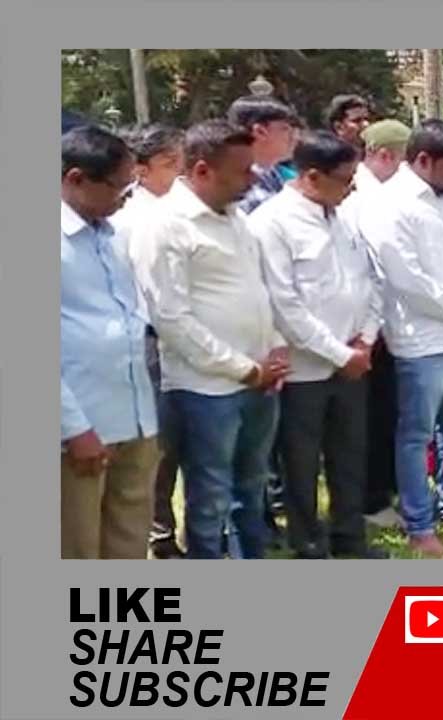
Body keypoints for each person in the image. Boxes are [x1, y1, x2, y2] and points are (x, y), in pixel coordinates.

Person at [134, 120, 290, 560]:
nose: (253, 178)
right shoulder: (165, 226)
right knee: (210, 496)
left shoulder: (236, 218)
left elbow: (256, 290)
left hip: (259, 379)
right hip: (206, 388)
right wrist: (244, 368)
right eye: (242, 170)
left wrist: (275, 346)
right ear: (202, 170)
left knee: (251, 487)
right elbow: (172, 319)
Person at [359, 119, 443, 558]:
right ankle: (419, 524)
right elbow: (404, 275)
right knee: (417, 434)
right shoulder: (388, 204)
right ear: (422, 160)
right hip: (423, 339)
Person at [252, 131, 385, 559]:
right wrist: (341, 354)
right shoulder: (271, 223)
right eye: (345, 179)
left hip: (355, 360)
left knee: (350, 454)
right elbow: (284, 305)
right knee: (301, 461)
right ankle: (308, 542)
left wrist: (366, 338)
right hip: (304, 368)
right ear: (312, 176)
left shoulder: (342, 216)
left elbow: (370, 280)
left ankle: (349, 536)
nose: (352, 188)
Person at [61, 125, 159, 559]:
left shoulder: (112, 235)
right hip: (80, 425)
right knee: (77, 548)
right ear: (76, 179)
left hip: (134, 416)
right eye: (119, 187)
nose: (125, 198)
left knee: (128, 543)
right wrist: (72, 428)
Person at [337, 119, 412, 530]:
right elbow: (375, 270)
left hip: (387, 324)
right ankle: (371, 498)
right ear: (385, 156)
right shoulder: (360, 201)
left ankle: (384, 489)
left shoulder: (382, 195)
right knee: (370, 418)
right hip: (367, 330)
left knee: (387, 413)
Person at [116, 123, 186, 559]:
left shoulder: (182, 207)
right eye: (168, 163)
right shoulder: (131, 219)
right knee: (160, 443)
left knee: (183, 439)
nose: (178, 171)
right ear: (140, 169)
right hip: (152, 337)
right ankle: (159, 532)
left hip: (186, 336)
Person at [227, 95, 300, 215]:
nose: (295, 137)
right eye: (285, 129)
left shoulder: (275, 175)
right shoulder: (236, 184)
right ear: (260, 132)